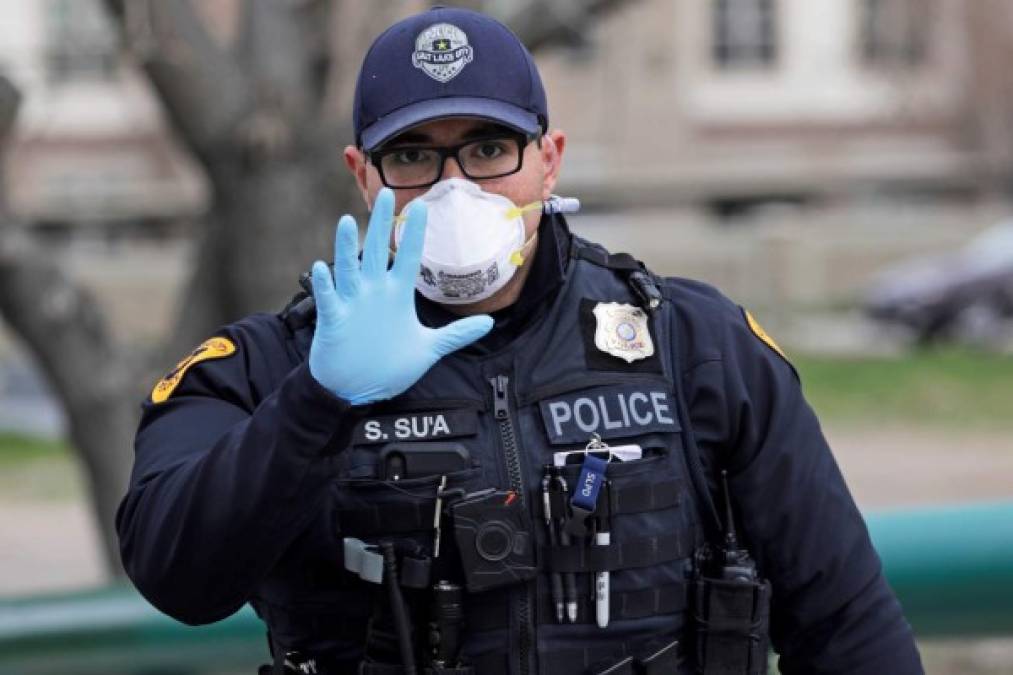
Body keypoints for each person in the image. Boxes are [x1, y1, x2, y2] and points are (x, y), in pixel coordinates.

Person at [118, 6, 924, 674]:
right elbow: (176, 575)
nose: (454, 186)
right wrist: (315, 405)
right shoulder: (267, 368)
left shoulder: (696, 345)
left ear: (547, 159)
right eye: (413, 156)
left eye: (488, 149)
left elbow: (846, 623)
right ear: (363, 175)